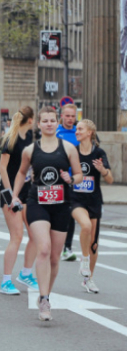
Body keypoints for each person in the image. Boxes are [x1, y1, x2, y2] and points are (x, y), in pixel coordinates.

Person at [11, 107, 81, 321]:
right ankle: (43, 299)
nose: (49, 124)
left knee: (54, 257)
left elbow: (78, 174)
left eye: (52, 120)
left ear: (57, 122)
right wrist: (14, 196)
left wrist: (71, 179)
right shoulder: (30, 150)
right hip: (37, 203)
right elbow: (21, 173)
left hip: (61, 205)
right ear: (38, 124)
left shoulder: (68, 148)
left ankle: (46, 294)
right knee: (43, 248)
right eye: (45, 121)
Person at [0, 107, 38, 295]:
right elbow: (2, 168)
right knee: (17, 236)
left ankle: (26, 273)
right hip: (8, 192)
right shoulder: (10, 139)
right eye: (35, 118)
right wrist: (11, 195)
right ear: (30, 120)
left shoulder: (30, 139)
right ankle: (6, 281)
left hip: (27, 192)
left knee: (35, 234)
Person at [71, 119, 113, 294]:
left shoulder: (99, 153)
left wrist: (102, 170)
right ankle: (84, 260)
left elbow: (110, 179)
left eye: (80, 129)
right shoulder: (72, 152)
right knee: (85, 225)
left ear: (89, 132)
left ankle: (88, 279)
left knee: (94, 243)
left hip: (94, 199)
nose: (76, 131)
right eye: (76, 128)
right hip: (75, 199)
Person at [56, 104, 79, 262]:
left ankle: (67, 247)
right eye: (67, 116)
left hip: (72, 180)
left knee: (70, 214)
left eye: (73, 116)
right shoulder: (55, 132)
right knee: (56, 214)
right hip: (55, 180)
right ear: (62, 116)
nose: (70, 119)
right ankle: (55, 244)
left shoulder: (79, 133)